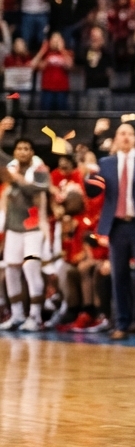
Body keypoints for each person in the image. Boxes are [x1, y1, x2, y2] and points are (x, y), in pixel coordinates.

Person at [82, 123, 135, 340]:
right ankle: (122, 323)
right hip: (117, 226)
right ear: (116, 138)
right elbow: (92, 192)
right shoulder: (105, 164)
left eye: (129, 133)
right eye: (122, 133)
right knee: (119, 276)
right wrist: (87, 178)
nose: (126, 137)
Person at [0, 138, 51, 331]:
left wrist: (18, 180)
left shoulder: (40, 170)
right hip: (14, 228)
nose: (23, 151)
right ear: (14, 152)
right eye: (19, 148)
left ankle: (35, 316)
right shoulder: (9, 170)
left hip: (34, 229)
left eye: (27, 148)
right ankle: (17, 314)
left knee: (30, 267)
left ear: (32, 152)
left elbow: (37, 188)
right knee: (12, 270)